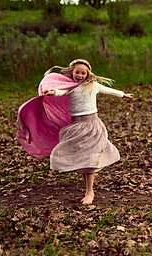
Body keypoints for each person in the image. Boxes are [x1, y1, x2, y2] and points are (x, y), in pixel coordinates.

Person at [41, 59, 133, 205]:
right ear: (72, 72)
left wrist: (123, 94)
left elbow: (108, 90)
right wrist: (51, 92)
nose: (80, 75)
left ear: (87, 74)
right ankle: (88, 189)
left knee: (89, 159)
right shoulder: (70, 87)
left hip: (92, 125)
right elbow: (59, 92)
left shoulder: (93, 86)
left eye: (83, 73)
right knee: (83, 159)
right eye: (77, 72)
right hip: (77, 126)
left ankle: (90, 192)